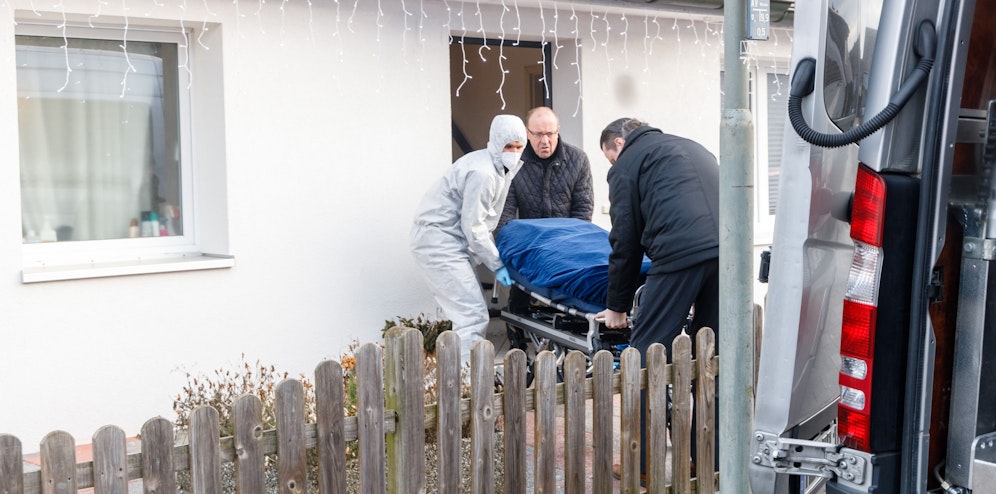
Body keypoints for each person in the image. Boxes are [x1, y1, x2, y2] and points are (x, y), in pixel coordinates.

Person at [596, 117, 720, 480]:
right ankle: (708, 459)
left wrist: (617, 306)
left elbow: (625, 241)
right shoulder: (694, 146)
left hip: (679, 256)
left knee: (646, 355)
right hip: (728, 251)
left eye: (609, 158)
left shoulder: (628, 165)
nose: (613, 167)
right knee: (711, 355)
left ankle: (645, 466)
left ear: (618, 143)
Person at [410, 114, 527, 367]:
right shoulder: (484, 172)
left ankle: (450, 379)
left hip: (449, 240)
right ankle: (465, 386)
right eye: (508, 146)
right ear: (496, 143)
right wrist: (497, 263)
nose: (514, 152)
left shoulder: (500, 168)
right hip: (439, 241)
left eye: (519, 147)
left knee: (461, 315)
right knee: (472, 315)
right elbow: (474, 227)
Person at [496, 106, 594, 352]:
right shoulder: (515, 163)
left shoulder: (578, 159)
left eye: (550, 133)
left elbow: (583, 210)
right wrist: (509, 247)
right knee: (519, 296)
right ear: (528, 134)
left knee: (570, 296)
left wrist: (573, 245)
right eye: (538, 134)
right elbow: (505, 213)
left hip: (568, 243)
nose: (545, 140)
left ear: (558, 131)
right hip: (530, 243)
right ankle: (517, 344)